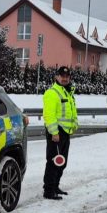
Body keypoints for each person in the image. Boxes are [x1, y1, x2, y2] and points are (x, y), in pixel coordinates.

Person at [42, 66, 78, 200]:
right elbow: (49, 115)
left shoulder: (67, 93)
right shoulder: (52, 93)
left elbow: (72, 112)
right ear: (56, 77)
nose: (64, 78)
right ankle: (49, 191)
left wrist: (74, 125)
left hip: (65, 132)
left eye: (67, 76)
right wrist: (54, 132)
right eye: (62, 76)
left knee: (62, 162)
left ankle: (55, 186)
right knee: (53, 162)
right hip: (56, 133)